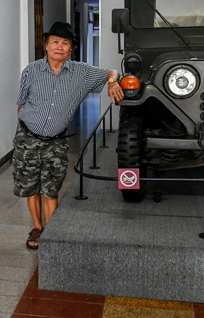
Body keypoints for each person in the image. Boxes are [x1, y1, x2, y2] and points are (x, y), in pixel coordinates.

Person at [15, 21, 124, 249]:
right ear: (46, 45)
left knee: (51, 188)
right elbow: (21, 103)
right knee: (30, 186)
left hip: (56, 142)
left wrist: (112, 82)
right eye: (55, 42)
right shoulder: (31, 71)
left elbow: (112, 72)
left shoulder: (82, 72)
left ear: (70, 48)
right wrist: (25, 131)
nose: (59, 47)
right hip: (28, 138)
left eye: (65, 43)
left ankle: (51, 232)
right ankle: (37, 227)